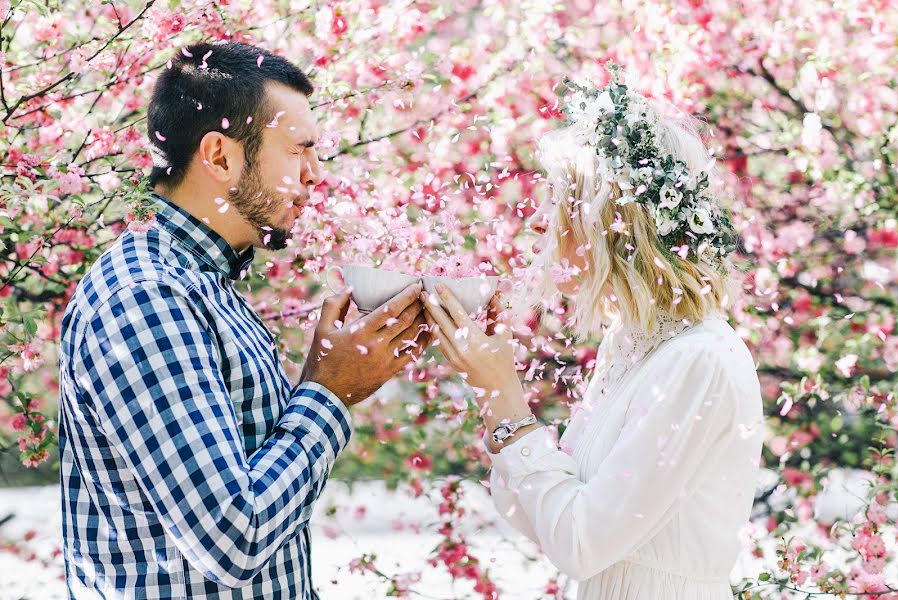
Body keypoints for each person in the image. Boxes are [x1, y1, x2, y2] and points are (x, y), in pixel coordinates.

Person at [57, 40, 428, 599]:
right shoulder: (148, 297)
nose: (315, 175)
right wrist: (329, 394)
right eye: (299, 150)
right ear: (221, 156)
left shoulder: (203, 283)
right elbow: (234, 539)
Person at [424, 64, 765, 599]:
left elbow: (580, 544)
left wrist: (505, 399)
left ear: (615, 221)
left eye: (557, 199)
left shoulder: (699, 362)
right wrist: (495, 397)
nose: (538, 221)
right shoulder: (632, 344)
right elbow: (536, 513)